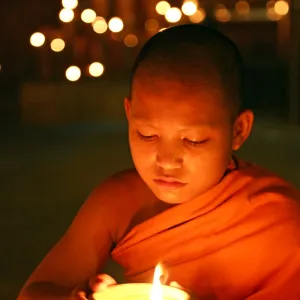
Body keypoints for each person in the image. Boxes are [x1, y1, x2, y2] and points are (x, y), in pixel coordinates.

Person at [18, 24, 300, 300]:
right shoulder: (118, 203)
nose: (166, 161)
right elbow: (34, 292)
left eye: (194, 140)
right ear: (129, 114)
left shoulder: (283, 222)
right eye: (147, 134)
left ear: (238, 130)